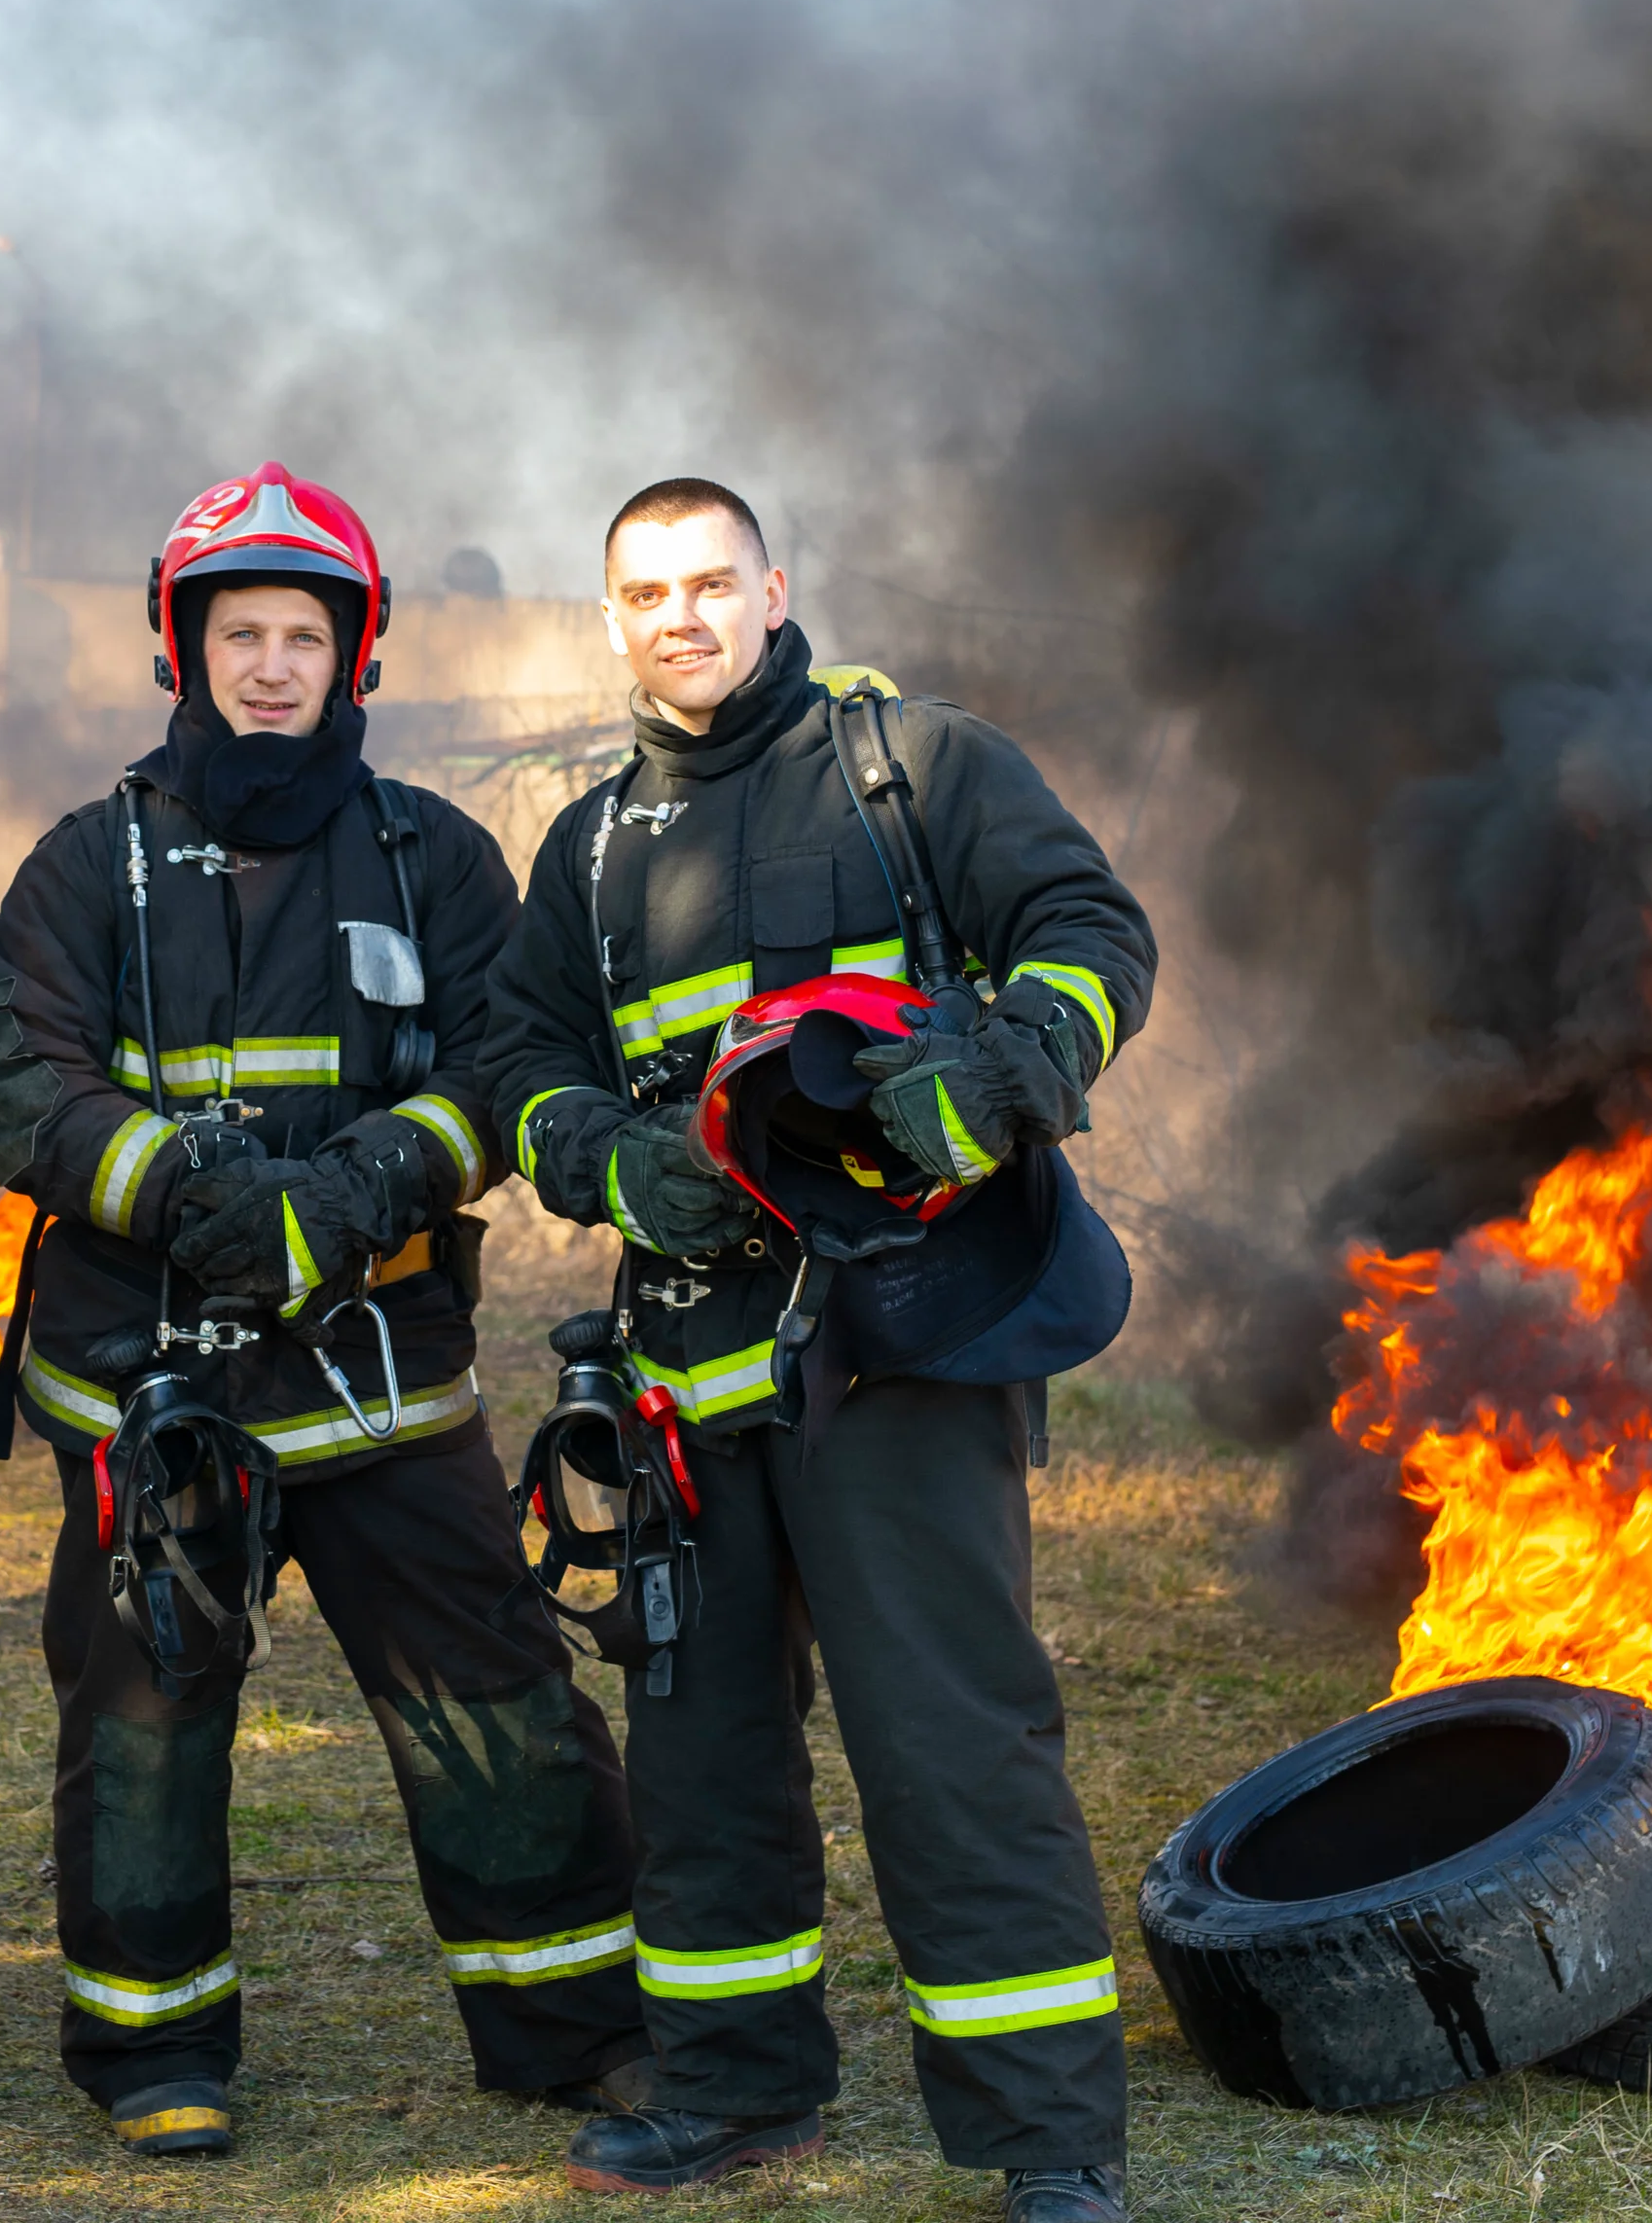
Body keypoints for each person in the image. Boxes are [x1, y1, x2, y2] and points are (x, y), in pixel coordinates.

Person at [488, 479, 1154, 2221]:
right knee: (702, 1755)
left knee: (949, 1734)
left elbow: (1091, 938)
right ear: (614, 617)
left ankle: (1045, 2137)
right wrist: (614, 1160)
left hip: (902, 1357)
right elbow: (523, 1062)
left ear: (774, 588)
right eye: (648, 594)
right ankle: (732, 2090)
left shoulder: (913, 767)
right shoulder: (593, 843)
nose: (682, 617)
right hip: (685, 1383)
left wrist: (998, 1078)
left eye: (713, 583)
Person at [0, 464, 649, 2157]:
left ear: (357, 656)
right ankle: (151, 2054)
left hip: (379, 1371)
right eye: (237, 632)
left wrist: (365, 1191)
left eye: (303, 634)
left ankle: (575, 2032)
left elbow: (507, 1063)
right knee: (143, 1711)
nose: (271, 664)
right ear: (179, 650)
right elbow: (15, 1082)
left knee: (489, 1694)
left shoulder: (438, 860)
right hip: (150, 1379)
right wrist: (183, 1196)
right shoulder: (84, 864)